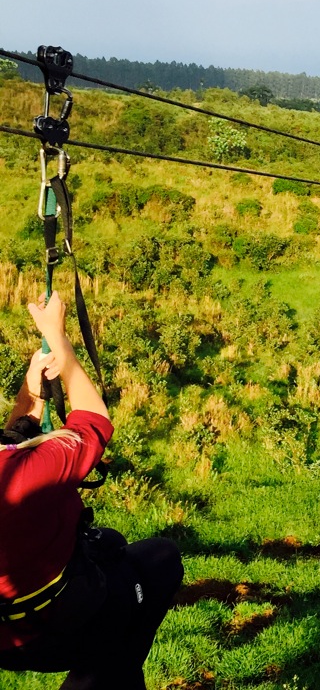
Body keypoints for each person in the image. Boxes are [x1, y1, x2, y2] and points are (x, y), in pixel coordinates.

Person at [0, 291, 183, 689]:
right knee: (159, 561)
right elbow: (93, 422)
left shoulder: (12, 471)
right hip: (52, 627)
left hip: (6, 636)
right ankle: (94, 676)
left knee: (113, 547)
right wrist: (60, 343)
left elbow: (11, 443)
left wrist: (32, 397)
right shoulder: (28, 477)